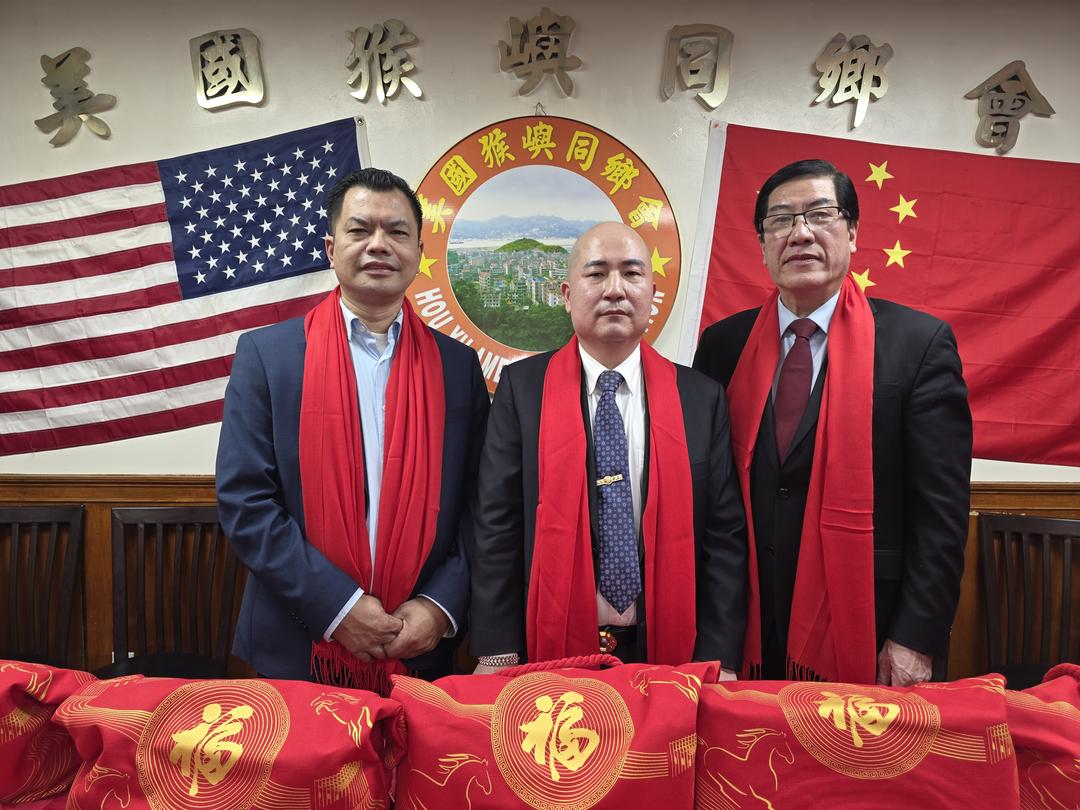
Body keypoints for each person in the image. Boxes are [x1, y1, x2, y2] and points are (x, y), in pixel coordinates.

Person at [693, 159, 972, 686]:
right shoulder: (723, 345)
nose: (800, 233)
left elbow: (941, 511)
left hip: (869, 620)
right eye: (781, 220)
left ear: (853, 232)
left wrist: (916, 636)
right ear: (762, 243)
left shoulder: (917, 344)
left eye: (821, 215)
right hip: (743, 621)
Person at [216, 168, 489, 689]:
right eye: (360, 230)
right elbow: (245, 501)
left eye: (397, 232)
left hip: (418, 646)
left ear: (418, 252)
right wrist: (337, 608)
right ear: (330, 248)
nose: (378, 245)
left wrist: (438, 607)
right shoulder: (268, 356)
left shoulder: (457, 367)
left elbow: (480, 505)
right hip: (297, 644)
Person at [470, 222, 747, 674]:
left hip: (672, 648)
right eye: (597, 274)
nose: (615, 290)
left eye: (632, 274)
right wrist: (498, 649)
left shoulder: (700, 398)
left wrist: (719, 658)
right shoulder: (523, 391)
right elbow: (497, 525)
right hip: (549, 644)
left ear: (652, 294)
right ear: (566, 295)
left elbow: (724, 537)